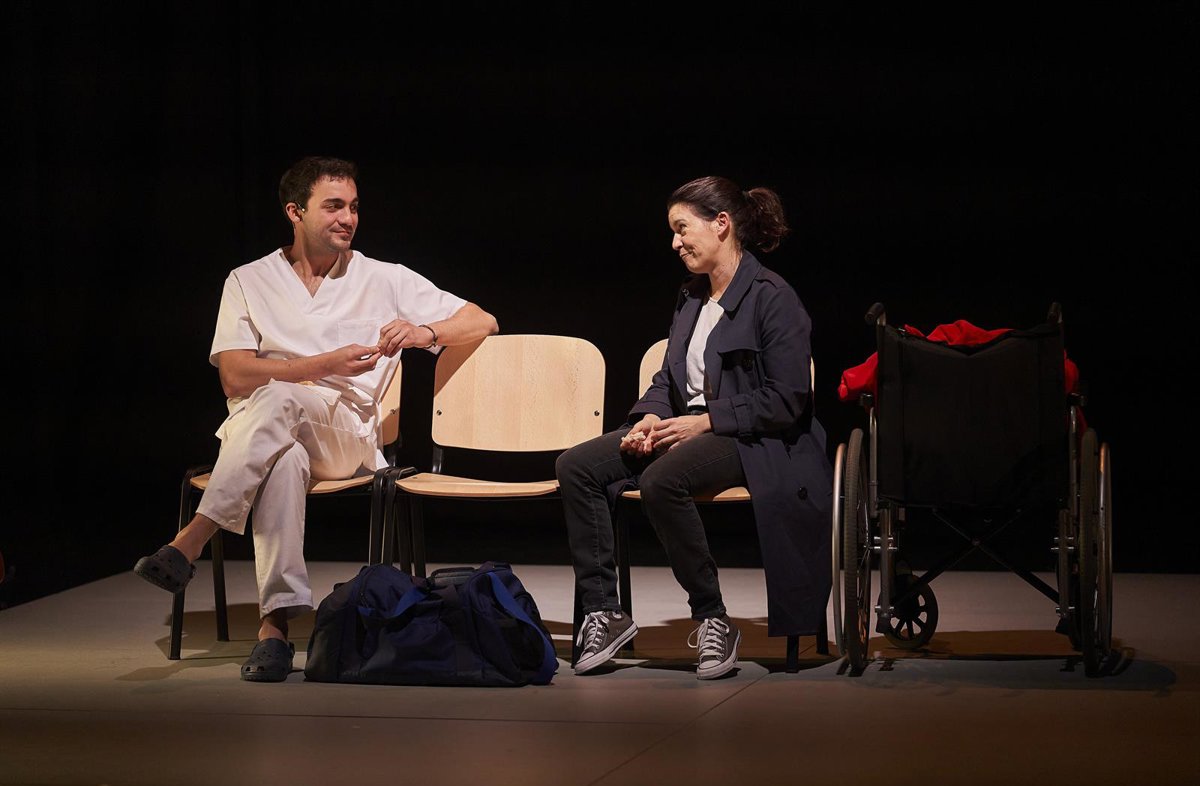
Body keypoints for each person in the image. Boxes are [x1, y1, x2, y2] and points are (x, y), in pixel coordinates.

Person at [134, 156, 498, 681]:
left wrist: (426, 333)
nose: (347, 218)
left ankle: (192, 538)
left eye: (353, 207)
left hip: (344, 435)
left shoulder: (383, 277)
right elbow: (234, 377)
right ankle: (274, 630)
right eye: (333, 206)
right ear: (295, 212)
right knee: (282, 458)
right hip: (261, 432)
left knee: (278, 398)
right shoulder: (248, 280)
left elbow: (482, 320)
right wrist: (322, 364)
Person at [557, 176, 832, 679]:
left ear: (721, 224)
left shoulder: (773, 297)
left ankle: (712, 618)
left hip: (753, 438)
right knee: (577, 466)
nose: (675, 242)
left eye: (682, 228)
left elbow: (788, 398)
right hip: (688, 428)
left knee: (662, 479)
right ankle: (604, 611)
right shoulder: (691, 297)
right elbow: (669, 377)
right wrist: (648, 417)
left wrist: (707, 421)